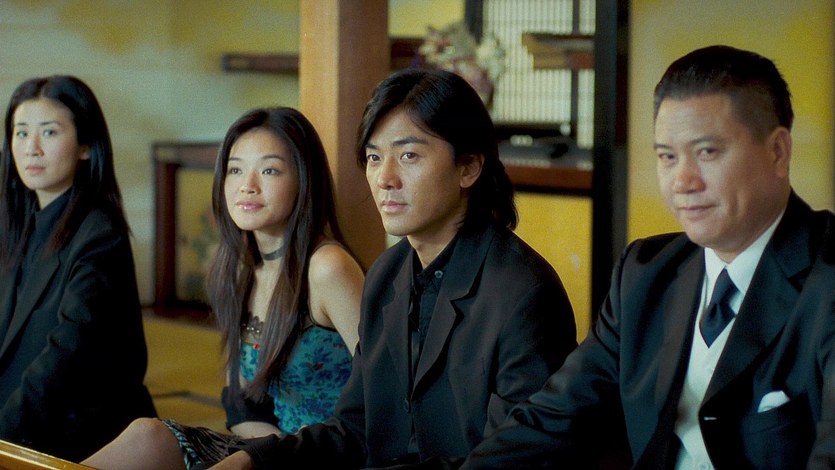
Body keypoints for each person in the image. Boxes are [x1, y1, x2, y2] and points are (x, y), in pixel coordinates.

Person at [427, 45, 835, 469]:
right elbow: (553, 422)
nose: (683, 180)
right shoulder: (647, 274)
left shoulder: (826, 283)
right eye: (667, 156)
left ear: (778, 152)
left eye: (708, 152)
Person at [206, 68, 578, 469]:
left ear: (468, 167)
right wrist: (254, 461)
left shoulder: (522, 291)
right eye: (373, 157)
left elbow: (512, 459)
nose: (384, 178)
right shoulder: (387, 275)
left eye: (408, 155)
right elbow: (354, 428)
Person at [81, 107, 365, 469]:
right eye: (235, 169)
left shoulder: (327, 267)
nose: (247, 185)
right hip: (274, 448)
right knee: (147, 434)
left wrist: (263, 455)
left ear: (304, 179)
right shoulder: (239, 266)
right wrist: (260, 450)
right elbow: (239, 400)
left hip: (331, 455)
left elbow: (384, 394)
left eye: (269, 170)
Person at [0, 75, 156, 461]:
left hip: (74, 434)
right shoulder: (17, 225)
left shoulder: (99, 235)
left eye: (49, 132)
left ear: (85, 145)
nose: (31, 148)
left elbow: (68, 356)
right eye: (21, 133)